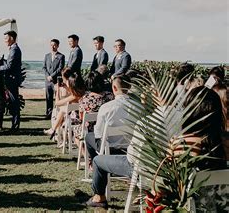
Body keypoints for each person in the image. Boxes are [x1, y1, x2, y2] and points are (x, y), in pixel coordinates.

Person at [86, 85, 226, 209]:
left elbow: (163, 185)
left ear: (190, 111)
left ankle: (99, 196)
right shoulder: (224, 142)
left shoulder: (181, 144)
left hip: (194, 207)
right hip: (223, 205)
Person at [85, 75, 132, 163]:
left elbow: (98, 133)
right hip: (130, 148)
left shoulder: (106, 107)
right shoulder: (138, 107)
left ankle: (97, 164)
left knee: (88, 136)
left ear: (114, 87)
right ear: (129, 87)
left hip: (110, 148)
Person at [44, 69, 85, 139]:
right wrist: (66, 87)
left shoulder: (74, 96)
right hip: (81, 113)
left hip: (77, 117)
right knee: (62, 111)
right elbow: (74, 93)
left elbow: (57, 103)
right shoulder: (82, 92)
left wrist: (57, 91)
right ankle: (54, 130)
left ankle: (54, 130)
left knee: (61, 110)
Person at [0, 31, 23, 131]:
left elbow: (9, 66)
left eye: (6, 38)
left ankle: (15, 126)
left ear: (11, 38)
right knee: (13, 103)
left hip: (12, 80)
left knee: (14, 103)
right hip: (11, 79)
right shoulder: (12, 49)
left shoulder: (14, 49)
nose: (5, 41)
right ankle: (14, 125)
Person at [43, 39, 65, 119]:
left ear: (58, 46)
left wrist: (52, 76)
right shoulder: (47, 56)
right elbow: (44, 67)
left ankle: (57, 114)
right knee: (48, 98)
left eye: (54, 45)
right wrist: (47, 76)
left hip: (56, 81)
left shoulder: (61, 56)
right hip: (48, 81)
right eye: (51, 45)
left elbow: (60, 68)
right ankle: (48, 114)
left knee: (57, 98)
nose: (53, 47)